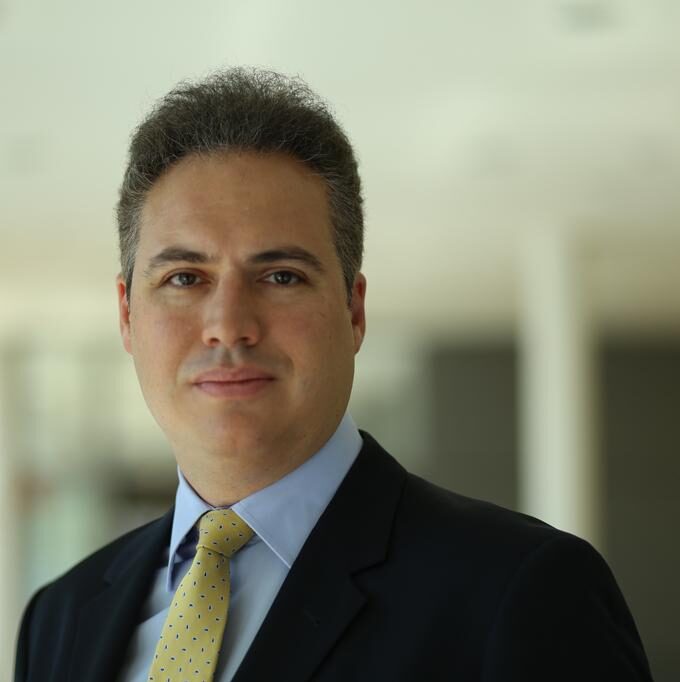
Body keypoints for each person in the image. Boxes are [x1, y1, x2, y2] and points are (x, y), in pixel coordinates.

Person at [14, 68, 654, 682]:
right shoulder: (61, 616)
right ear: (127, 315)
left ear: (353, 312)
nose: (228, 325)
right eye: (185, 278)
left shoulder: (523, 593)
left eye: (280, 276)